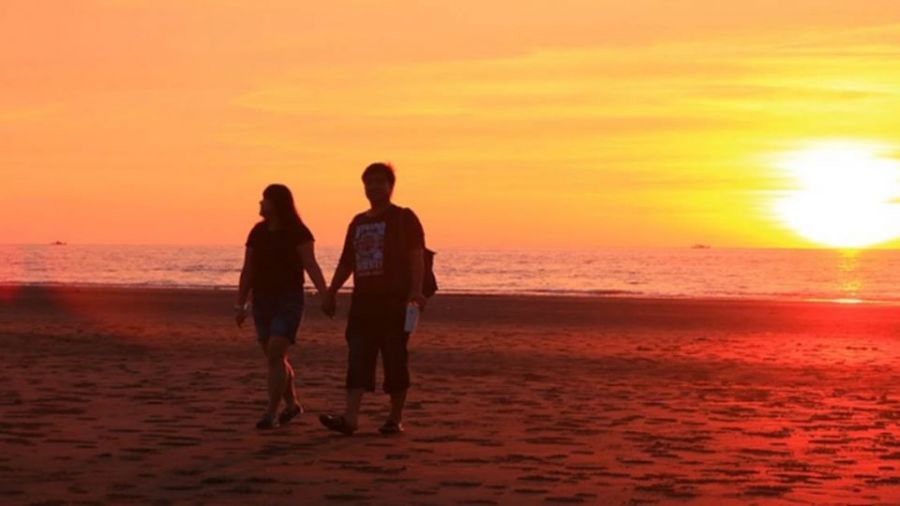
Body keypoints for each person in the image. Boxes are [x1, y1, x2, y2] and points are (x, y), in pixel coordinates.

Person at [320, 162, 427, 435]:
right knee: (358, 358)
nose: (374, 187)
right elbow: (347, 262)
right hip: (363, 303)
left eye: (380, 182)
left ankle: (394, 418)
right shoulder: (358, 222)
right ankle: (350, 418)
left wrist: (416, 290)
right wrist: (331, 292)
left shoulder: (403, 217)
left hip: (394, 302)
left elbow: (416, 255)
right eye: (369, 183)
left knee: (395, 359)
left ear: (391, 187)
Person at [235, 184, 330, 430]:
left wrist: (325, 294)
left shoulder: (298, 232)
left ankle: (271, 412)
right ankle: (292, 404)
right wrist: (240, 303)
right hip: (262, 299)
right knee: (274, 357)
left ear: (277, 203)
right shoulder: (258, 232)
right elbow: (248, 269)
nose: (260, 203)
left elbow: (311, 265)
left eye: (265, 199)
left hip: (289, 298)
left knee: (276, 351)